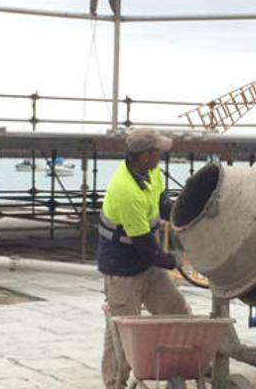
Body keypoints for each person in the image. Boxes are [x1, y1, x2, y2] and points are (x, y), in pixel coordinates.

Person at [99, 128, 189, 389]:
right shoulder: (126, 190)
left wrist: (182, 214)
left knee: (175, 310)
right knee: (121, 331)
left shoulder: (152, 172)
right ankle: (115, 383)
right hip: (122, 268)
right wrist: (176, 260)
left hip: (146, 263)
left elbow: (161, 202)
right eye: (158, 150)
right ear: (146, 155)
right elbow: (147, 250)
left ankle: (175, 370)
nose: (162, 153)